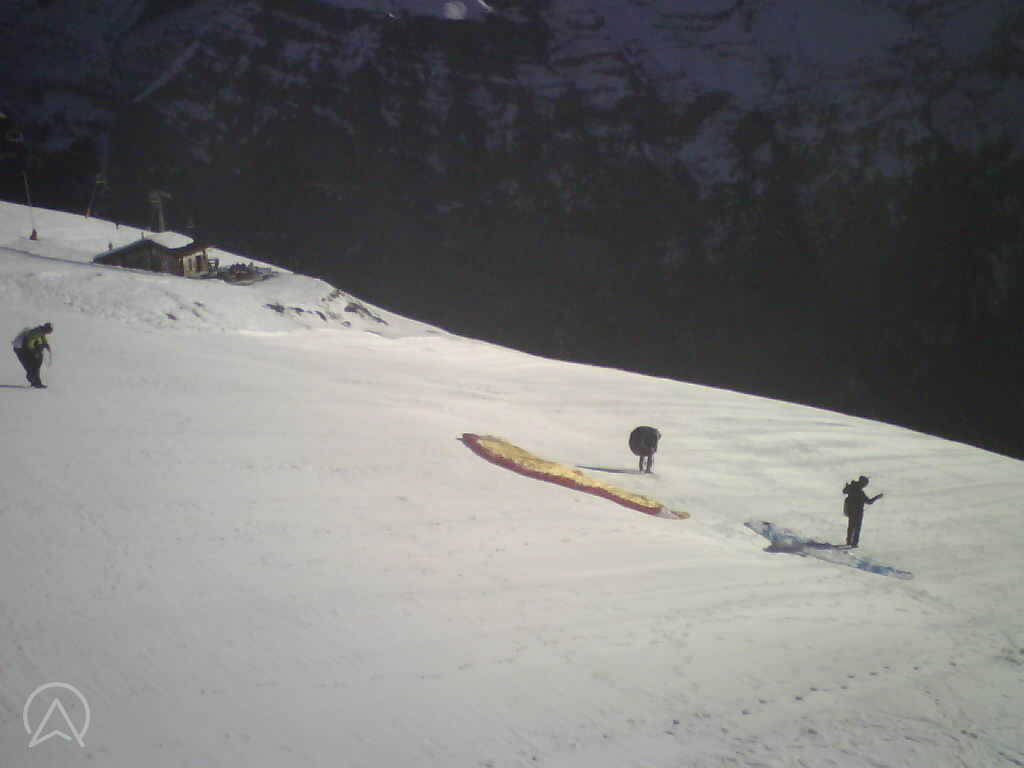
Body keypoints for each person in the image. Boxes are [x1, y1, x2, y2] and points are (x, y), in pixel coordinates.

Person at [843, 475, 883, 548]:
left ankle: (848, 541)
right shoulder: (860, 492)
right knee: (857, 527)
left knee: (851, 526)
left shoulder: (852, 486)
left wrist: (847, 486)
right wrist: (877, 497)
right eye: (866, 484)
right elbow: (869, 502)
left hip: (850, 510)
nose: (865, 485)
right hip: (858, 512)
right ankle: (854, 543)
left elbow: (844, 491)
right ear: (863, 483)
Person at [12, 322, 52, 388]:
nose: (49, 333)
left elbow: (43, 338)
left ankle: (34, 380)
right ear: (46, 329)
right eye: (49, 331)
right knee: (31, 365)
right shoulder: (37, 332)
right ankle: (35, 381)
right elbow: (29, 342)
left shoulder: (41, 331)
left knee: (36, 362)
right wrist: (35, 352)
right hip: (19, 348)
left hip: (24, 346)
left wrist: (46, 345)